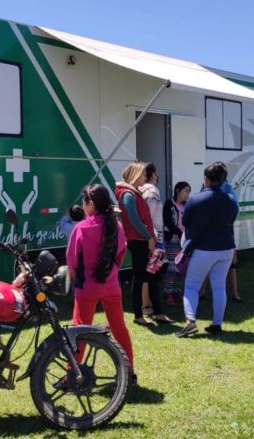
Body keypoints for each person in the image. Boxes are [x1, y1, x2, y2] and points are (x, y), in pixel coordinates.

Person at [66, 184, 135, 376]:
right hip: (111, 285)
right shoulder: (117, 226)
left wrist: (76, 274)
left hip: (86, 287)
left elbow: (72, 260)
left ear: (91, 205)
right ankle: (129, 371)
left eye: (84, 202)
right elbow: (120, 255)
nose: (82, 205)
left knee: (78, 331)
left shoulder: (81, 228)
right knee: (119, 327)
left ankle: (72, 373)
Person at [176, 162, 239, 338]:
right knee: (219, 287)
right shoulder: (231, 201)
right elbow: (232, 219)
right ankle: (217, 324)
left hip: (203, 248)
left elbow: (186, 222)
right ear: (224, 179)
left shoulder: (195, 199)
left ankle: (190, 321)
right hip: (226, 248)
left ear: (205, 179)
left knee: (191, 285)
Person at [115, 161, 171, 325]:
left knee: (153, 274)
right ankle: (138, 315)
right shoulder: (127, 194)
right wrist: (149, 238)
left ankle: (158, 312)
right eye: (143, 174)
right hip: (139, 241)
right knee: (140, 277)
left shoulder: (135, 193)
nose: (146, 177)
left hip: (147, 240)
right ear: (135, 175)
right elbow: (134, 220)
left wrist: (152, 238)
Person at [139, 163, 167, 318]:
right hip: (155, 235)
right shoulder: (152, 191)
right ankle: (147, 304)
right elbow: (148, 216)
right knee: (152, 270)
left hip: (147, 234)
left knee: (146, 270)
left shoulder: (141, 189)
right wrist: (153, 236)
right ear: (153, 174)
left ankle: (147, 303)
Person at [162, 181, 190, 306]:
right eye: (186, 191)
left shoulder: (188, 205)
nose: (187, 194)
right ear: (178, 191)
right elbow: (168, 221)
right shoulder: (169, 203)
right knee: (173, 266)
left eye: (189, 191)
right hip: (173, 238)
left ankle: (178, 291)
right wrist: (179, 233)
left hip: (185, 239)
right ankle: (168, 293)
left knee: (182, 267)